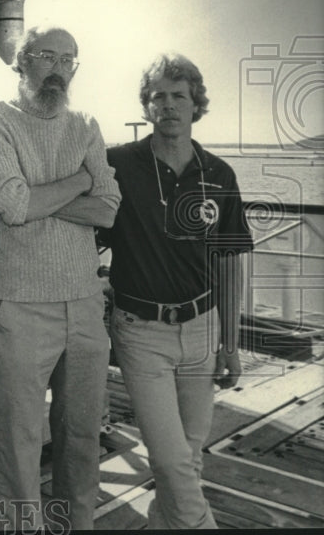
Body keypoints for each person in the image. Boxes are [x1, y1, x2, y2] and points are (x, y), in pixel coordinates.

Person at [0, 25, 121, 531]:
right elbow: (12, 205)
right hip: (24, 303)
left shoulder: (86, 123)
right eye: (46, 56)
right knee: (18, 438)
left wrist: (40, 198)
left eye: (68, 60)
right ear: (21, 61)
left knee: (81, 436)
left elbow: (111, 209)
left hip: (86, 302)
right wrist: (80, 180)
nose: (58, 68)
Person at [102, 54, 252, 529]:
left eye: (179, 96)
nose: (168, 105)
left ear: (195, 104)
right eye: (158, 96)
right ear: (147, 107)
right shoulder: (118, 164)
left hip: (202, 331)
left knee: (188, 460)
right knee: (171, 463)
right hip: (142, 333)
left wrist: (229, 343)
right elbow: (86, 225)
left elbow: (230, 264)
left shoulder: (219, 174)